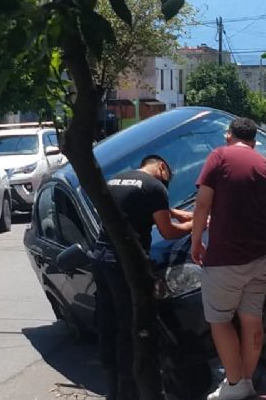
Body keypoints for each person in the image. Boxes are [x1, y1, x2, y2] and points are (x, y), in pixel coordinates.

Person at [191, 118, 266, 400]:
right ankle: (244, 382)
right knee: (251, 321)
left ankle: (235, 385)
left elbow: (202, 203)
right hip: (261, 259)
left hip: (224, 258)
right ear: (254, 141)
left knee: (220, 321)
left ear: (228, 136)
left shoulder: (219, 157)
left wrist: (196, 242)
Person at [92, 155, 193, 400]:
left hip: (100, 256)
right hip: (125, 262)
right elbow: (168, 231)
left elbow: (151, 210)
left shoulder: (116, 180)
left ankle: (112, 388)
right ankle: (130, 389)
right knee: (131, 324)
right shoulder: (155, 187)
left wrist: (182, 215)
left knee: (108, 322)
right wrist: (197, 224)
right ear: (161, 166)